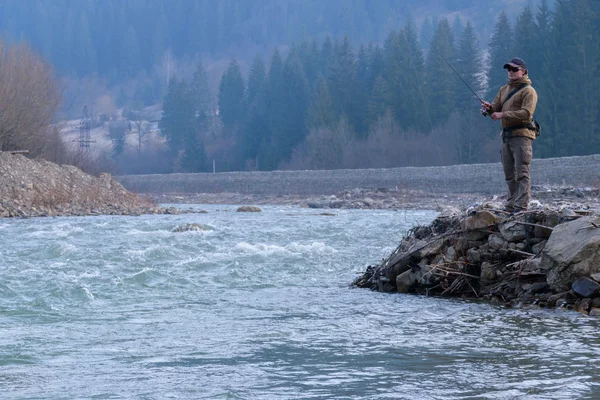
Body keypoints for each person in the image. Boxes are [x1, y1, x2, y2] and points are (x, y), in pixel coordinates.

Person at [481, 57, 538, 213]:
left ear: (523, 71)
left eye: (514, 69)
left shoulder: (529, 91)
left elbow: (526, 114)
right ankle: (510, 205)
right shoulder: (503, 89)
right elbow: (495, 108)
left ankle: (520, 208)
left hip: (522, 137)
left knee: (522, 173)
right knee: (509, 174)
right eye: (509, 69)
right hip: (506, 137)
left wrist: (502, 114)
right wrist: (489, 108)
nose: (511, 72)